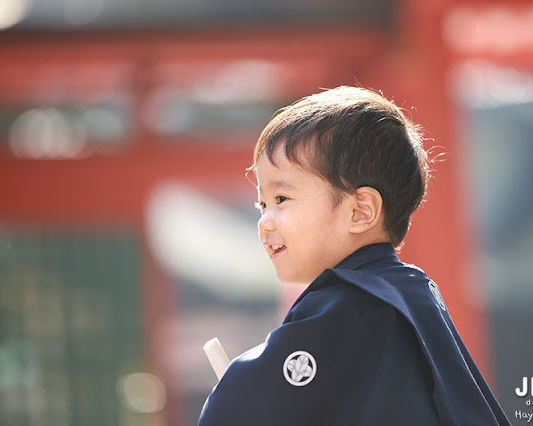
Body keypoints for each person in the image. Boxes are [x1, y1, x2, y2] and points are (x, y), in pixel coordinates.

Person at [198, 86, 511, 425]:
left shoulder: (348, 303)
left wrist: (233, 389)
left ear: (361, 211)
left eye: (282, 199)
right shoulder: (411, 293)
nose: (264, 222)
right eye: (262, 204)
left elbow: (247, 404)